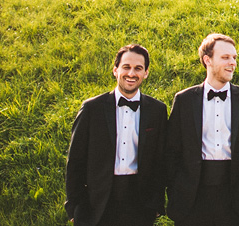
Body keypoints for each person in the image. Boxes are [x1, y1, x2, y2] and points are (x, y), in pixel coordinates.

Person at [166, 33, 239, 226]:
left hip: (237, 199)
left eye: (234, 58)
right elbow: (171, 151)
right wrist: (176, 189)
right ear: (207, 60)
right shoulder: (184, 100)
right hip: (193, 197)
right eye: (225, 57)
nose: (232, 63)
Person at [64, 44, 168, 226]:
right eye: (126, 67)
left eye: (138, 68)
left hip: (140, 203)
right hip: (97, 202)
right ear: (115, 70)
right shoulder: (92, 108)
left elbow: (160, 160)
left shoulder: (157, 110)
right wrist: (74, 206)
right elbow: (75, 160)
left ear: (146, 73)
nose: (131, 73)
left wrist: (156, 203)